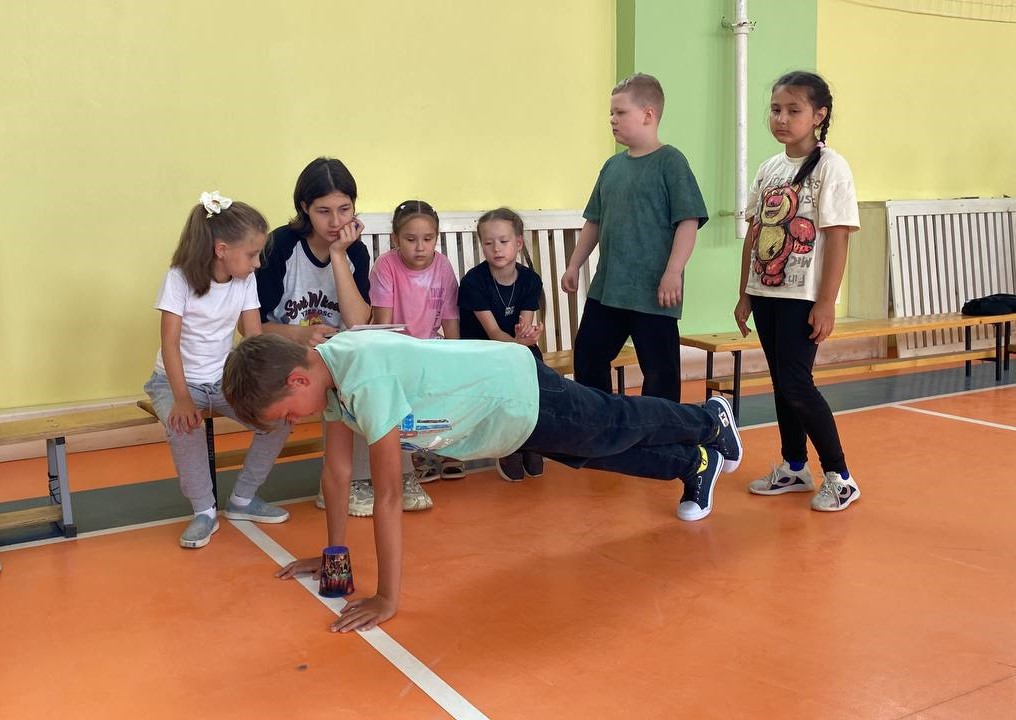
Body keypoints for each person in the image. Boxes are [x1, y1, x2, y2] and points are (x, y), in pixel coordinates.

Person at [221, 331, 744, 632]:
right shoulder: (331, 376)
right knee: (594, 455)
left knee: (613, 425)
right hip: (505, 418)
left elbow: (387, 494)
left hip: (517, 391)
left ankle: (707, 419)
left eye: (287, 413)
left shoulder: (364, 379)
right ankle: (693, 463)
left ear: (298, 379)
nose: (293, 421)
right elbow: (337, 474)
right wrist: (334, 561)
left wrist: (387, 599)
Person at [253, 157, 432, 519]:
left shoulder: (355, 251)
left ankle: (399, 473)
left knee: (377, 369)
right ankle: (343, 482)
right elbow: (253, 328)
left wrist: (338, 254)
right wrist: (299, 334)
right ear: (304, 208)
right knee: (347, 378)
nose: (336, 222)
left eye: (344, 209)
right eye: (324, 211)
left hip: (335, 352)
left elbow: (356, 321)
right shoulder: (282, 246)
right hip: (285, 350)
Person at [733, 71, 861, 512]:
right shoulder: (770, 168)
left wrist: (826, 302)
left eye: (793, 110)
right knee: (782, 384)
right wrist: (745, 293)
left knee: (796, 383)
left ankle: (840, 477)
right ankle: (794, 466)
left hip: (802, 297)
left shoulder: (832, 167)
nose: (782, 119)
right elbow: (755, 234)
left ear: (818, 115)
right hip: (767, 293)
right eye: (775, 110)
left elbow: (839, 237)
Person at [143, 192, 291, 548]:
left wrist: (269, 388)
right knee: (184, 426)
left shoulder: (245, 280)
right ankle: (204, 512)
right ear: (222, 249)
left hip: (223, 379)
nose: (257, 263)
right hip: (174, 381)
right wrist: (182, 399)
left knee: (280, 417)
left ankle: (242, 499)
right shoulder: (179, 278)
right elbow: (170, 343)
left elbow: (253, 338)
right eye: (252, 254)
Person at [561, 73, 708, 403]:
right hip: (608, 289)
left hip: (653, 292)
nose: (612, 120)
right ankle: (600, 424)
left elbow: (688, 221)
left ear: (648, 115)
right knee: (588, 356)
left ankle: (659, 430)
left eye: (620, 112)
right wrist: (574, 264)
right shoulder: (612, 167)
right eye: (611, 113)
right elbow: (594, 221)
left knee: (659, 371)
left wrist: (673, 272)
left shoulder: (671, 162)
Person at [369, 200, 463, 488]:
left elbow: (450, 316)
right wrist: (400, 358)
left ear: (436, 237)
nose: (420, 247)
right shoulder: (386, 266)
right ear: (395, 238)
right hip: (397, 348)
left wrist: (455, 356)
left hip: (431, 347)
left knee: (445, 389)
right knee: (409, 400)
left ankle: (445, 447)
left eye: (428, 239)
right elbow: (383, 324)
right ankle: (418, 453)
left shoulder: (443, 266)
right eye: (410, 239)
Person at [458, 207, 545, 480]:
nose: (496, 248)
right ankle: (508, 444)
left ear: (518, 243)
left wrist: (527, 337)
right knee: (507, 370)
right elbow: (493, 332)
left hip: (513, 345)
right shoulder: (473, 282)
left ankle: (530, 437)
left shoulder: (530, 280)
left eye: (504, 241)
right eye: (488, 243)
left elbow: (523, 326)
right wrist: (519, 343)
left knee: (535, 366)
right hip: (482, 349)